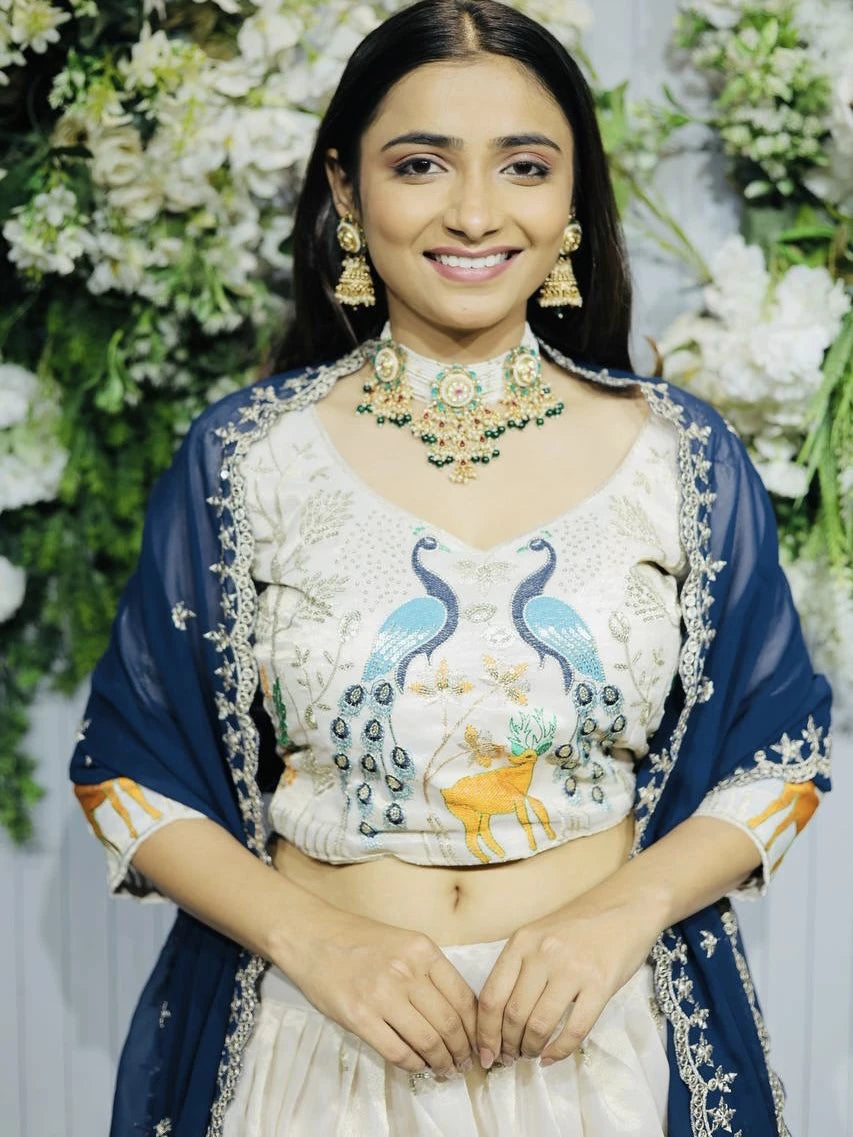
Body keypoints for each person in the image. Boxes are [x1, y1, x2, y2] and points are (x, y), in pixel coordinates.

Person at [68, 2, 832, 1135]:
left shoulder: (678, 456)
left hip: (601, 1045)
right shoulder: (248, 457)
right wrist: (317, 942)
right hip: (321, 1047)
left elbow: (779, 753)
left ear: (572, 198)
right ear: (345, 189)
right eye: (419, 164)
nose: (474, 213)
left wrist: (619, 918)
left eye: (524, 166)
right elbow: (127, 771)